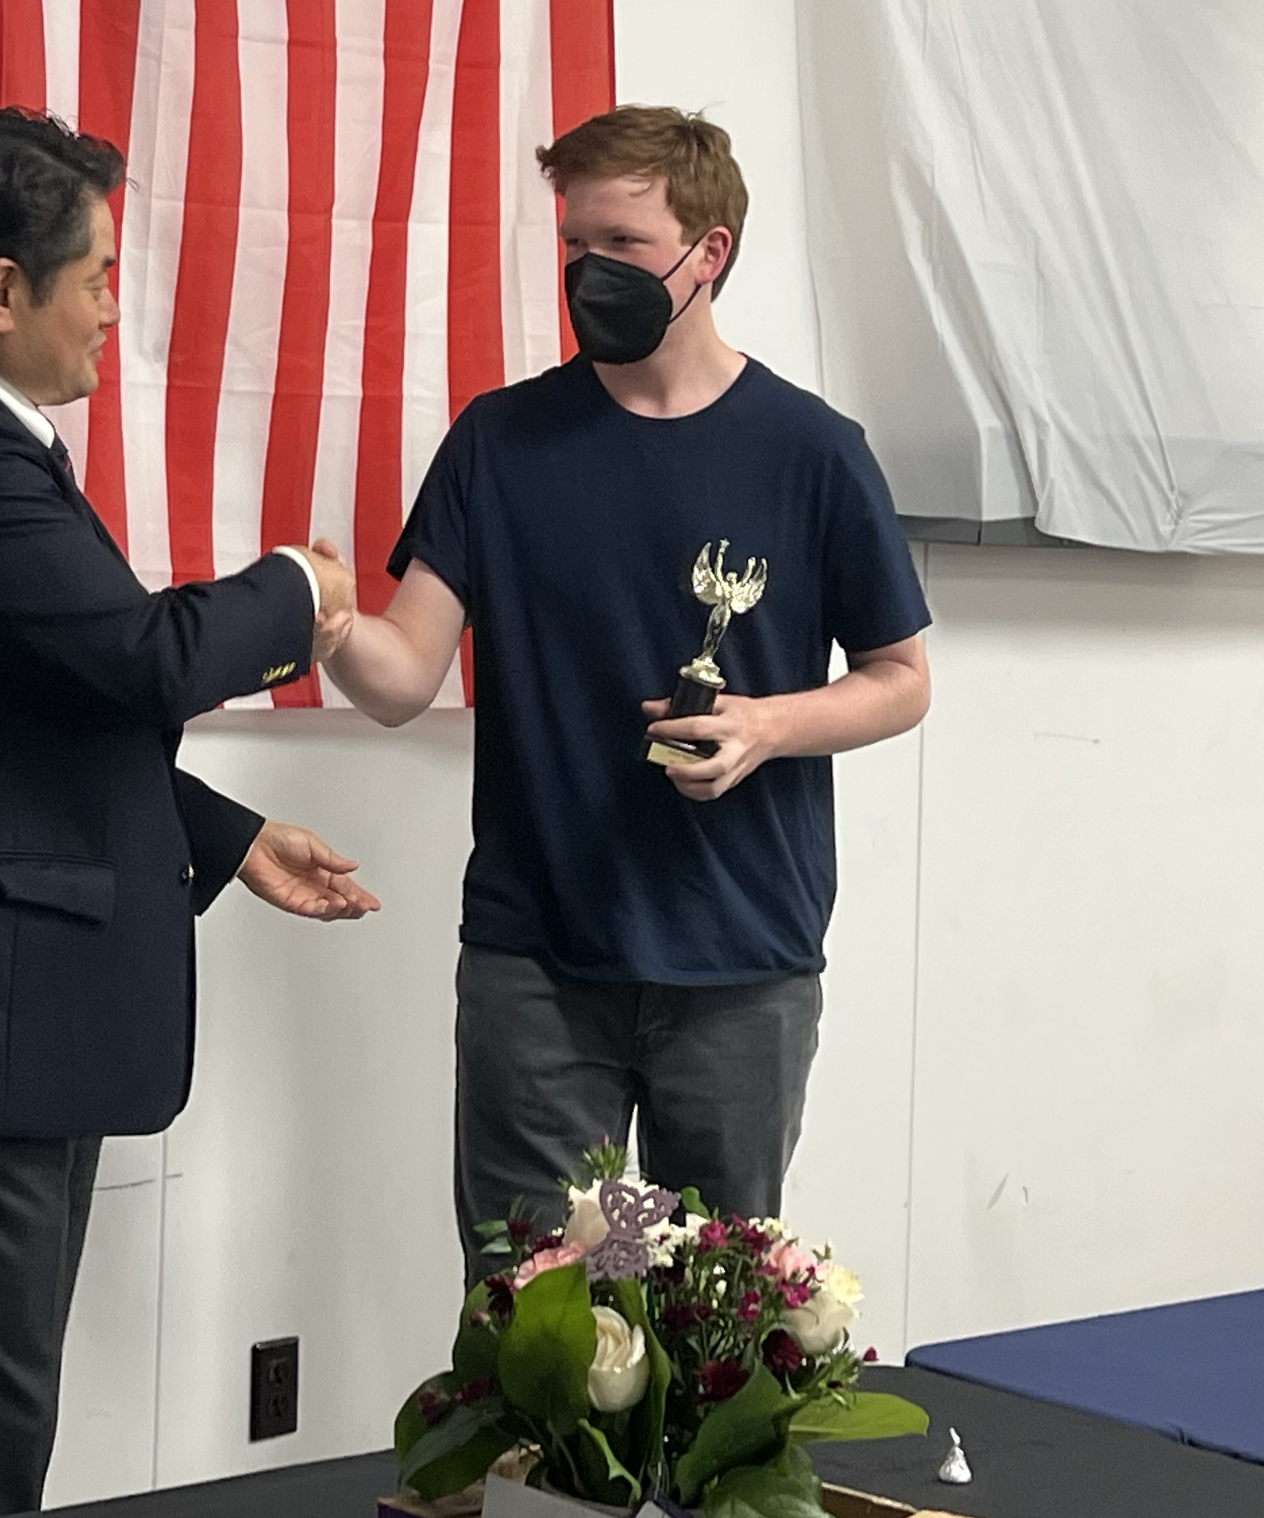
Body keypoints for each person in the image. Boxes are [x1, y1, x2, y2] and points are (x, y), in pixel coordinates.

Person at [0, 108, 379, 1518]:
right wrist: (297, 585)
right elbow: (138, 657)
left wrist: (225, 833)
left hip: (5, 1032)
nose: (117, 306)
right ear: (6, 290)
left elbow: (35, 718)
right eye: (99, 273)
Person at [312, 106, 929, 1283]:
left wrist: (767, 726)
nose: (591, 274)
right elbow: (402, 677)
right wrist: (331, 625)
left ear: (710, 254)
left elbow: (900, 682)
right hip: (537, 960)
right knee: (534, 1318)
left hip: (741, 956)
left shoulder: (813, 451)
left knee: (715, 1325)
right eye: (573, 246)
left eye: (624, 247)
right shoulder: (501, 440)